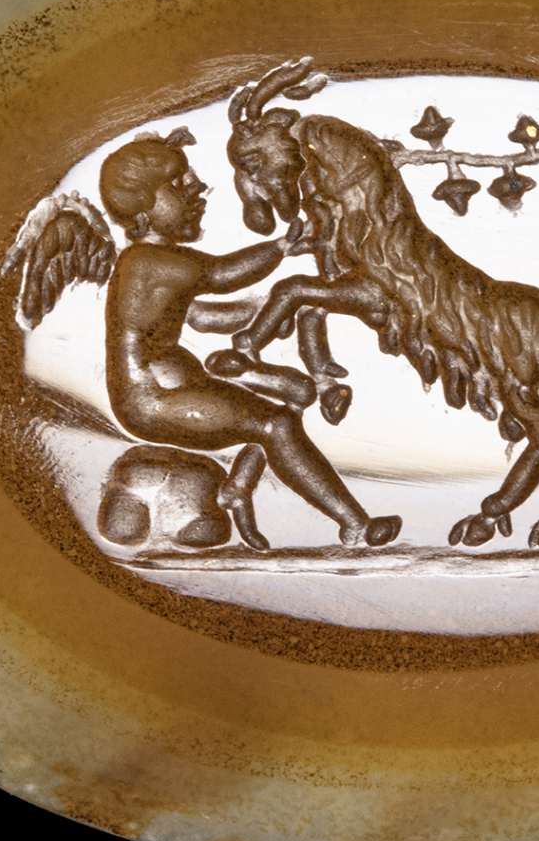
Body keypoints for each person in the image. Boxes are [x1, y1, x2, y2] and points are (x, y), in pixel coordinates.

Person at [100, 134, 401, 549]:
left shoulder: (146, 262)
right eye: (178, 183)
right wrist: (282, 247)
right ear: (143, 204)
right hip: (155, 400)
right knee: (274, 425)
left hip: (168, 390)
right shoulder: (148, 261)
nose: (197, 188)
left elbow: (204, 308)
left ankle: (239, 488)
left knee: (281, 406)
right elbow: (220, 274)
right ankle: (355, 525)